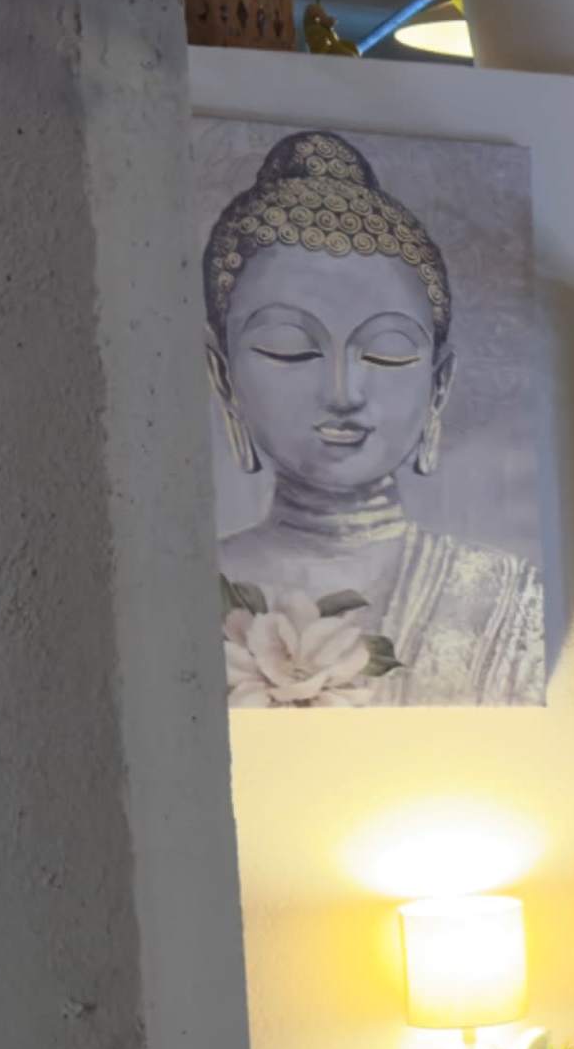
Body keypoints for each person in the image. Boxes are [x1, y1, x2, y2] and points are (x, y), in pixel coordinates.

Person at [202, 129, 544, 706]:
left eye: (387, 353)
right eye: (291, 349)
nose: (344, 392)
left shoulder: (510, 600)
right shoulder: (180, 588)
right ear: (223, 377)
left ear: (438, 385)